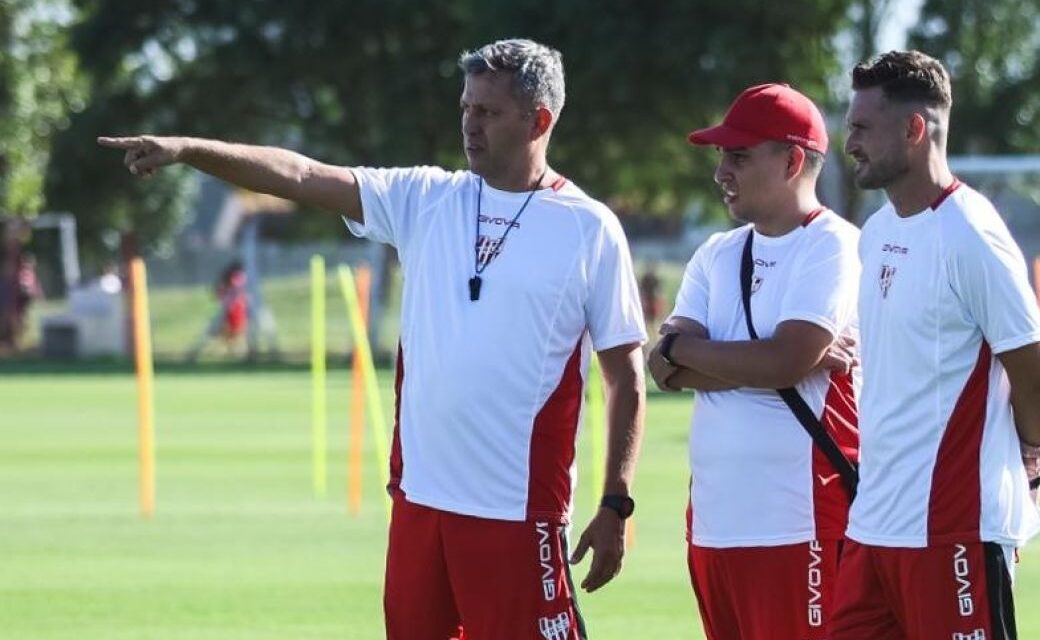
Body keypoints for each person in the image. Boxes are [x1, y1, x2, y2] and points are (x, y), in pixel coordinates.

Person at [99, 38, 646, 640]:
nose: (469, 124)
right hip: (419, 504)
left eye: (487, 112)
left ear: (538, 119)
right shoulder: (425, 197)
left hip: (515, 514)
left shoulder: (589, 228)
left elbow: (625, 375)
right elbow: (304, 175)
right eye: (465, 108)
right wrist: (191, 150)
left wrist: (616, 503)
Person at [830, 50, 1040, 640]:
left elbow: (1030, 367)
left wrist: (1026, 458)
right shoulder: (875, 233)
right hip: (874, 527)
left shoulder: (970, 233)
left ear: (915, 130)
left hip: (954, 529)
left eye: (862, 128)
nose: (850, 144)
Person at [646, 83, 861, 640]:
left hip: (802, 521)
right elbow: (662, 366)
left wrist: (692, 352)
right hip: (716, 525)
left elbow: (784, 359)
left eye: (738, 156)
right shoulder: (717, 252)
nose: (721, 171)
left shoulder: (833, 244)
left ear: (793, 160)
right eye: (721, 155)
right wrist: (768, 359)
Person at [186, 260, 249, 360]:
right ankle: (198, 352)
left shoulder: (231, 278)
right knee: (224, 334)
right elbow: (223, 293)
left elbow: (220, 293)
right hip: (230, 311)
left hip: (232, 310)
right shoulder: (235, 278)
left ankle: (233, 353)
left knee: (231, 335)